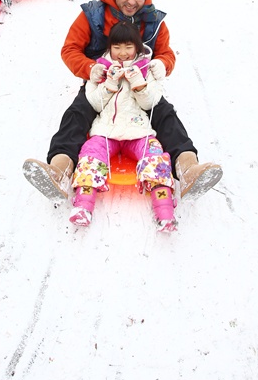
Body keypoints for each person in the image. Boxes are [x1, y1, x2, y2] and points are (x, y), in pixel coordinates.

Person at [23, 0, 223, 205]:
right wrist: (90, 69)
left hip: (140, 84)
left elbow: (166, 53)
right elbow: (70, 49)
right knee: (77, 114)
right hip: (102, 83)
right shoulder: (93, 14)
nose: (132, 1)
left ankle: (188, 169)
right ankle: (59, 170)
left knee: (165, 114)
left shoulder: (153, 20)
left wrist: (162, 64)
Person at [69, 21, 177, 231]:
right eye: (117, 47)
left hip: (138, 131)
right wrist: (108, 86)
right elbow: (93, 103)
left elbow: (151, 103)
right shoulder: (101, 69)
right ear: (110, 47)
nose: (123, 53)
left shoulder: (146, 70)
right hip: (106, 130)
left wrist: (140, 86)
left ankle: (165, 212)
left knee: (155, 156)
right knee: (90, 154)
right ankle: (83, 206)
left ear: (137, 47)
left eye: (128, 47)